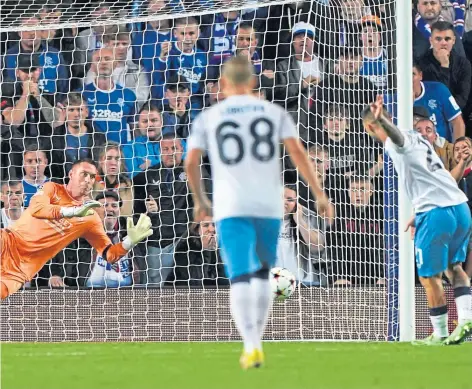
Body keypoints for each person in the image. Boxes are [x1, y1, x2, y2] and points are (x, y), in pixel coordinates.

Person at [185, 56, 334, 368]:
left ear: (222, 85)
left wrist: (200, 200)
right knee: (263, 273)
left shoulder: (209, 117)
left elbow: (191, 162)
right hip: (268, 203)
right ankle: (259, 339)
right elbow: (298, 155)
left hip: (231, 205)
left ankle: (250, 344)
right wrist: (319, 193)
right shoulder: (274, 112)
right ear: (253, 82)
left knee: (240, 276)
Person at [361, 95, 472, 345]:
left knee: (429, 276)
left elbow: (397, 139)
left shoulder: (396, 140)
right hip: (459, 206)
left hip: (437, 213)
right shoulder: (420, 139)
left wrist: (383, 122)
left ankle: (440, 333)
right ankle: (466, 318)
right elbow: (431, 178)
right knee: (454, 267)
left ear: (369, 127)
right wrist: (417, 213)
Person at [0, 159, 152, 299]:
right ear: (71, 174)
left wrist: (129, 242)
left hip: (22, 267)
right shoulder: (52, 189)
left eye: (92, 177)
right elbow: (37, 209)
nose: (87, 180)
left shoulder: (90, 218)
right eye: (84, 174)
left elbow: (109, 254)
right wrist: (71, 212)